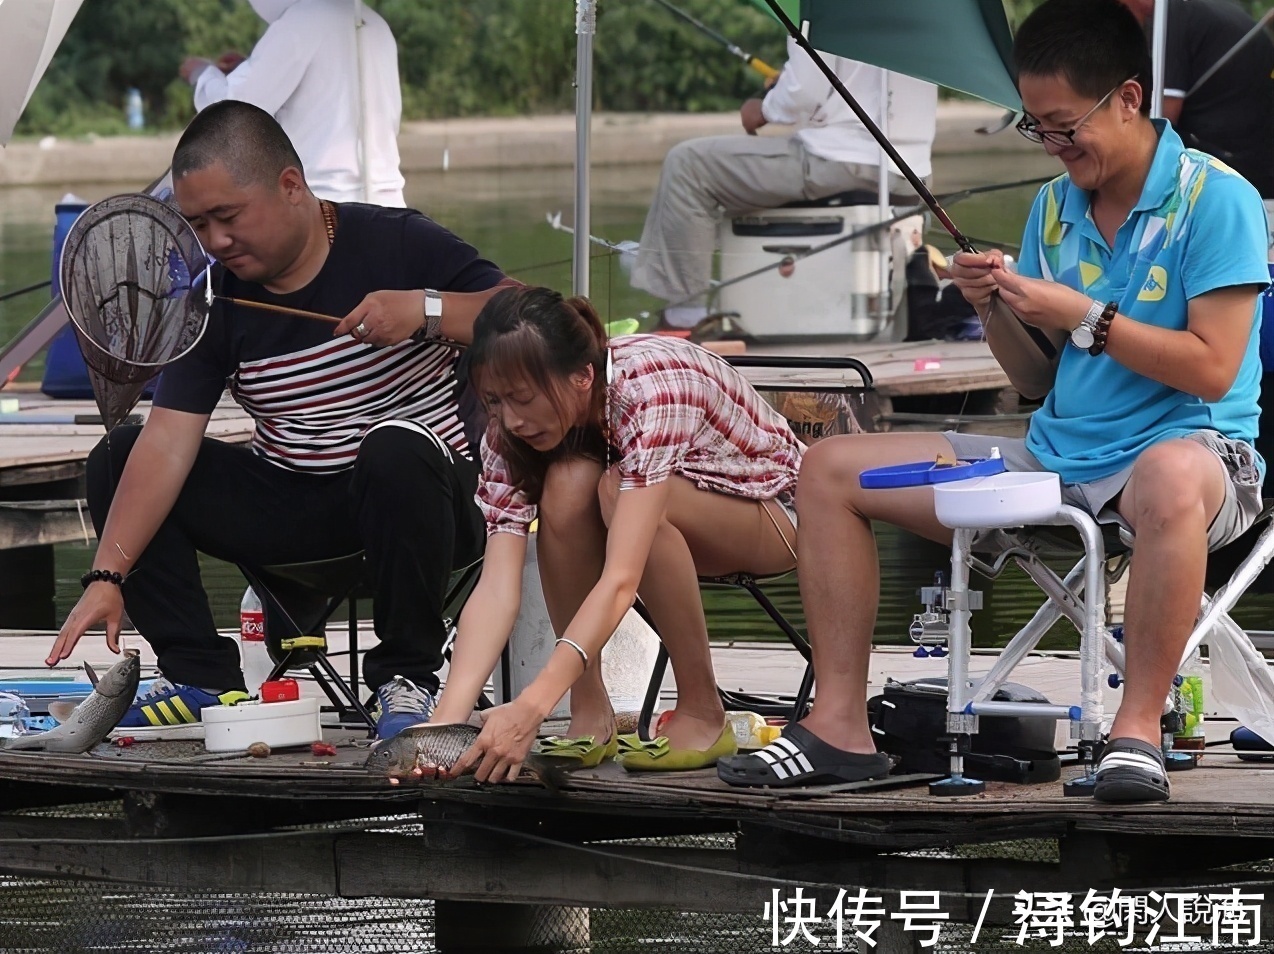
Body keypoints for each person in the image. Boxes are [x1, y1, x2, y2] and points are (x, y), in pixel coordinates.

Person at [717, 0, 1270, 803]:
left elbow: (1215, 370)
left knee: (1169, 479)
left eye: (1063, 124)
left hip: (1200, 460)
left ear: (1126, 97)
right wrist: (995, 308)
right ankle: (838, 726)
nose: (1053, 145)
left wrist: (1081, 313)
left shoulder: (1215, 198)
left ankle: (1136, 732)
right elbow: (1037, 381)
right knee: (831, 467)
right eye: (1035, 129)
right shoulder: (1054, 207)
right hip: (1051, 464)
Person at [47, 100, 514, 741]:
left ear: (290, 185)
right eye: (199, 224)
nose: (215, 241)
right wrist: (108, 573)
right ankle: (200, 675)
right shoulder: (213, 297)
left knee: (393, 449)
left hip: (428, 506)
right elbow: (166, 448)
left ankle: (410, 680)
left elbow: (534, 319)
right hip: (302, 511)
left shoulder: (400, 241)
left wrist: (427, 310)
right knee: (121, 454)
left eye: (228, 217)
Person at [426, 286, 803, 780]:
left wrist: (533, 705)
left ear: (584, 375)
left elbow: (621, 578)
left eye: (522, 398)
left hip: (778, 515)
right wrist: (439, 732)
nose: (512, 420)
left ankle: (702, 710)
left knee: (613, 491)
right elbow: (497, 587)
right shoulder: (509, 431)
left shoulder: (650, 388)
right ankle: (591, 710)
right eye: (494, 401)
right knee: (563, 488)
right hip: (652, 517)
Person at [629, 38, 937, 328]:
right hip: (912, 173)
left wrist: (762, 108)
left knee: (688, 165)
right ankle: (668, 264)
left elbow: (804, 91)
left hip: (841, 161)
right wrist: (787, 84)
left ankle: (684, 316)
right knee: (731, 182)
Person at [180, 0, 406, 207]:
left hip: (329, 205)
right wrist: (248, 67)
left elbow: (234, 108)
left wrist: (201, 74)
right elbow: (325, 86)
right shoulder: (374, 24)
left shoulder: (304, 18)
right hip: (390, 205)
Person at [1116, 0, 1274, 198]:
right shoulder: (1200, 9)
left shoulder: (1170, 18)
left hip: (1231, 165)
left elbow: (1162, 117)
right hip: (1256, 156)